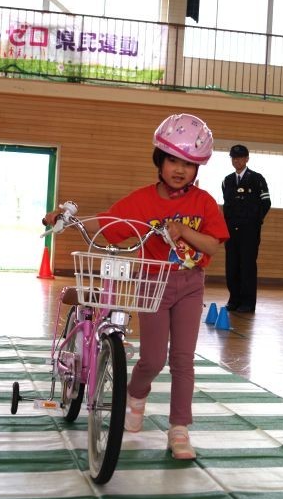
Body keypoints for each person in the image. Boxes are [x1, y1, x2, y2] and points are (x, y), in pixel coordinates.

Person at [44, 113, 229, 460]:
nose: (180, 169)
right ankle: (136, 394)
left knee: (183, 360)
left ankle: (179, 429)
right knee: (153, 359)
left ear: (197, 168)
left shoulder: (203, 202)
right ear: (159, 160)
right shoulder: (142, 201)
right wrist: (68, 220)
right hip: (153, 283)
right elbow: (108, 223)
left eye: (189, 164)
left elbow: (212, 245)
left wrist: (183, 231)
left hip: (191, 284)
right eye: (173, 160)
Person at [221, 144, 271, 313]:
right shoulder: (227, 180)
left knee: (247, 266)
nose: (237, 161)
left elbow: (266, 202)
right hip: (231, 231)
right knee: (232, 266)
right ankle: (234, 300)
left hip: (249, 231)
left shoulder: (257, 179)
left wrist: (254, 222)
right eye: (234, 158)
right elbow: (227, 205)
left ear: (247, 159)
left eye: (240, 157)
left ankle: (248, 303)